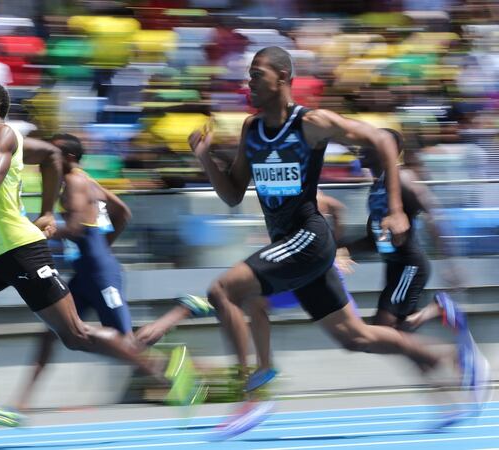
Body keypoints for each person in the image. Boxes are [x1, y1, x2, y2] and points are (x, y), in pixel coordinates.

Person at [187, 47, 484, 439]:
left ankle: (253, 391)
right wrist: (206, 158)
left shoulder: (311, 122)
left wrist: (396, 208)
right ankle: (447, 357)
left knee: (222, 290)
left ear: (282, 78)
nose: (249, 83)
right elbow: (232, 194)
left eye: (257, 74)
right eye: (248, 76)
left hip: (309, 238)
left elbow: (381, 139)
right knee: (355, 337)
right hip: (289, 246)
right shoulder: (251, 130)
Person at [0, 81, 194, 433]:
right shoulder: (1, 139)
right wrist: (47, 211)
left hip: (20, 252)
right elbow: (51, 155)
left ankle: (165, 369)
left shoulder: (0, 136)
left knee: (76, 334)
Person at [0, 133, 138, 427]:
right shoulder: (85, 180)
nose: (46, 159)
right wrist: (102, 246)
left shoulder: (76, 183)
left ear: (67, 158)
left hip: (101, 274)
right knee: (54, 333)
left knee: (126, 345)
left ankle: (184, 315)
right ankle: (20, 405)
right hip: (86, 274)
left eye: (53, 153)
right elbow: (123, 212)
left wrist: (40, 232)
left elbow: (78, 227)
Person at [135, 191, 355, 391]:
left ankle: (253, 372)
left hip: (311, 271)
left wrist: (336, 248)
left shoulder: (302, 192)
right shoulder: (271, 194)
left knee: (359, 338)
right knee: (244, 299)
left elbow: (336, 208)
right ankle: (257, 371)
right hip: (294, 270)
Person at [348, 128, 465, 331]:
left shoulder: (402, 178)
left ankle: (440, 308)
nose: (361, 149)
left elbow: (434, 216)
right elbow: (374, 238)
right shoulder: (377, 185)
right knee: (394, 329)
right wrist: (341, 250)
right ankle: (440, 311)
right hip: (393, 264)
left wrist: (451, 264)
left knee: (385, 327)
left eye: (369, 145)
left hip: (409, 265)